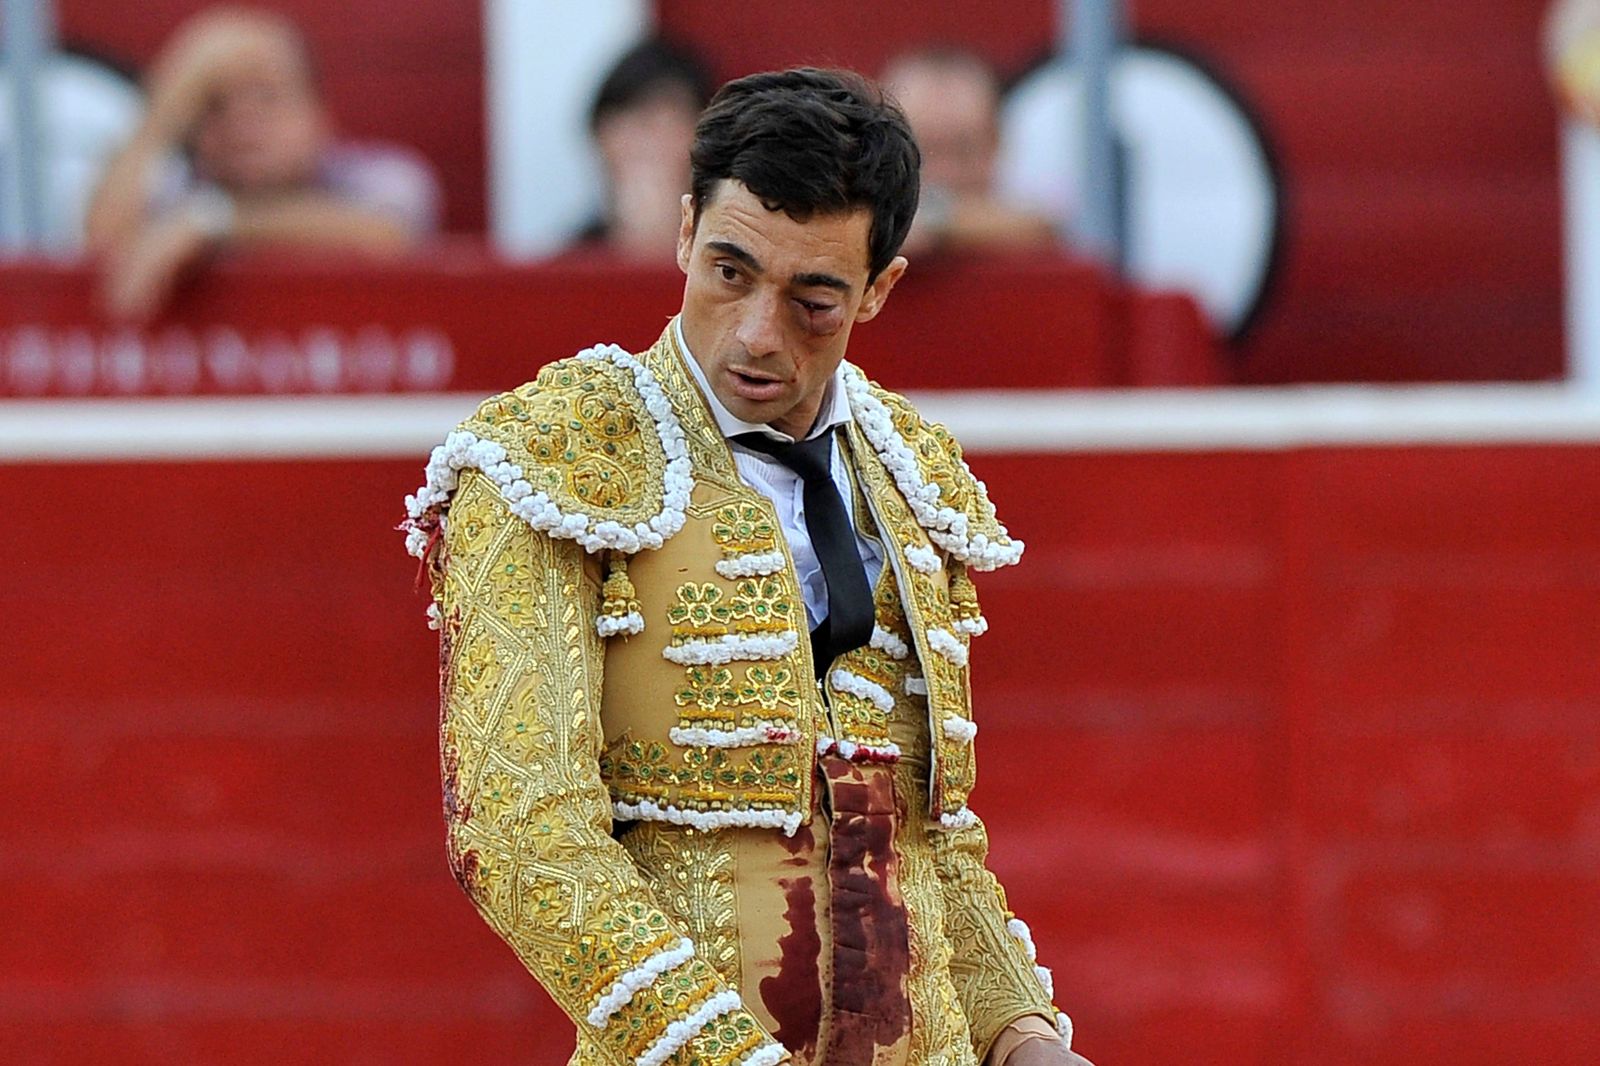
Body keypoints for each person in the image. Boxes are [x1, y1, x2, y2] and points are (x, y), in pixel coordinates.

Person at [403, 67, 1090, 1066]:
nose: (758, 335)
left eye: (814, 300)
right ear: (684, 233)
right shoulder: (553, 455)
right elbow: (521, 839)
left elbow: (925, 838)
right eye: (730, 271)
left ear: (879, 289)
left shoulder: (908, 474)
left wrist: (1023, 1033)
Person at [84, 7, 440, 320]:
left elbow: (387, 236)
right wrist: (169, 99)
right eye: (214, 102)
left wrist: (214, 220)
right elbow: (98, 248)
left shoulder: (385, 176)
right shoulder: (176, 193)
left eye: (267, 96)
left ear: (318, 114)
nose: (243, 119)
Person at [880, 48, 1056, 255]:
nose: (944, 172)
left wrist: (932, 217)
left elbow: (1052, 225)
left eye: (963, 150)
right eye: (922, 151)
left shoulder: (1036, 205)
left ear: (997, 143)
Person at [572, 37, 714, 260]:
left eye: (666, 124)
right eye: (630, 124)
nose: (646, 146)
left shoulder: (734, 262)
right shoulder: (567, 266)